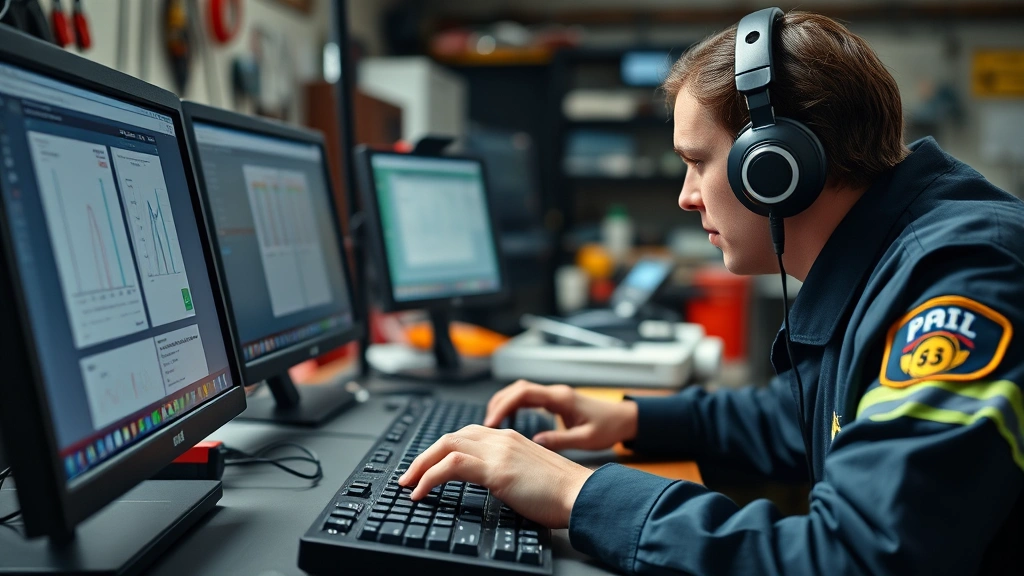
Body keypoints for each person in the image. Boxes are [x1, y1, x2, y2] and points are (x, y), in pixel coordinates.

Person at [400, 9, 1024, 575]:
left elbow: (857, 559)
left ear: (775, 166)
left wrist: (576, 493)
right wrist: (631, 416)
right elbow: (806, 416)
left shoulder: (962, 278)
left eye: (698, 161)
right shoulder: (889, 256)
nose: (685, 194)